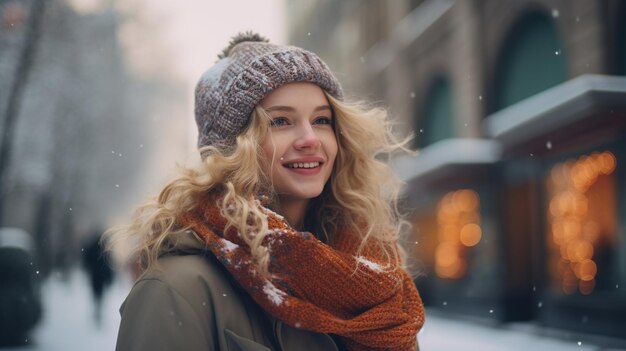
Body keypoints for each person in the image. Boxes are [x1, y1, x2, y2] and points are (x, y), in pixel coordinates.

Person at [106, 32, 425, 351]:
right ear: (234, 148)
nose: (309, 138)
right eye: (281, 121)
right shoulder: (176, 290)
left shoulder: (370, 277)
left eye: (322, 120)